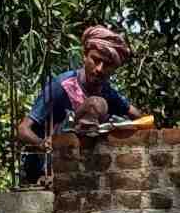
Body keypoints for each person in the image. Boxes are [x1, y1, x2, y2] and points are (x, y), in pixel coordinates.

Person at [14, 26, 144, 186]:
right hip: (46, 167)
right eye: (95, 60)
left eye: (107, 65)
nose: (99, 69)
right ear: (84, 56)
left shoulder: (108, 92)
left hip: (84, 168)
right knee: (95, 105)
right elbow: (23, 129)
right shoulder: (61, 86)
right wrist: (44, 145)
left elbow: (139, 118)